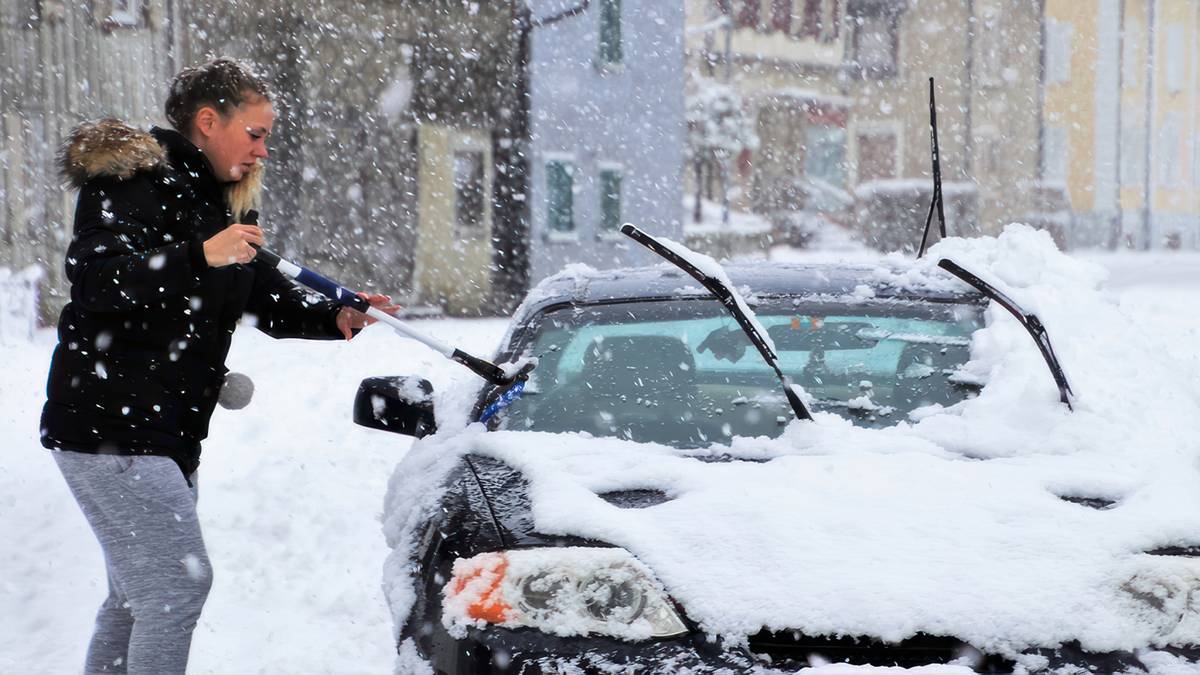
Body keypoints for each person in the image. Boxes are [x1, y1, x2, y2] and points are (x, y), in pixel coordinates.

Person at [41, 57, 396, 674]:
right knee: (176, 589)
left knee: (136, 597)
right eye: (254, 134)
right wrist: (199, 255)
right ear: (209, 121)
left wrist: (332, 316)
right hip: (109, 422)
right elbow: (96, 280)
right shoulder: (132, 182)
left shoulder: (218, 203)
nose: (262, 150)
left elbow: (258, 294)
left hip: (164, 429)